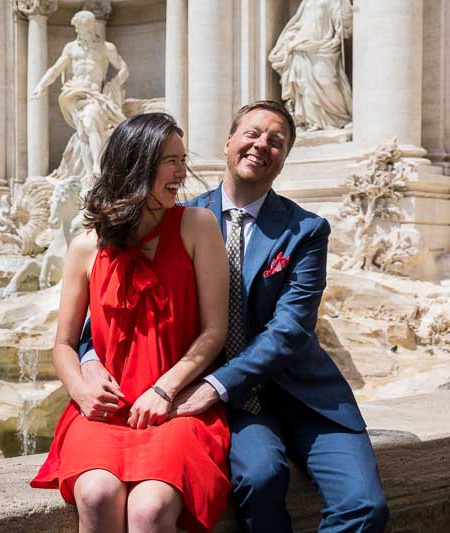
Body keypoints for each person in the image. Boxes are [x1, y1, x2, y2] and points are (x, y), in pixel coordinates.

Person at [78, 101, 388, 532]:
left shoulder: (307, 230)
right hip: (237, 407)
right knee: (259, 482)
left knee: (365, 506)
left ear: (285, 157)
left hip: (302, 396)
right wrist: (89, 358)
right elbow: (114, 307)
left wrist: (211, 387)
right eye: (252, 133)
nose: (262, 145)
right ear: (228, 142)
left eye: (276, 141)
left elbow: (290, 330)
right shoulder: (173, 219)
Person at [32, 113, 232, 532]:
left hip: (175, 407)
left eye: (181, 159)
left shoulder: (199, 226)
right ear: (136, 165)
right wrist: (81, 389)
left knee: (151, 509)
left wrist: (166, 388)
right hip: (105, 409)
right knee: (96, 494)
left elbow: (215, 331)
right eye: (169, 161)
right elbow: (64, 344)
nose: (182, 173)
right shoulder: (86, 246)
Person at [31, 10, 128, 185]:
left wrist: (113, 85)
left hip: (94, 94)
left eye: (89, 27)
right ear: (77, 28)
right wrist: (41, 86)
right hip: (73, 94)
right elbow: (55, 69)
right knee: (83, 131)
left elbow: (124, 69)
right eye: (83, 28)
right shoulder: (71, 48)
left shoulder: (106, 47)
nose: (87, 31)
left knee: (89, 122)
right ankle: (89, 173)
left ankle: (98, 167)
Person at [268, 0, 353, 131]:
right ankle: (310, 122)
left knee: (327, 81)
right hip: (301, 47)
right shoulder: (307, 2)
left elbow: (343, 25)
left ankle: (339, 119)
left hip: (324, 47)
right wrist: (290, 37)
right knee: (304, 87)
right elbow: (298, 22)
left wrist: (345, 18)